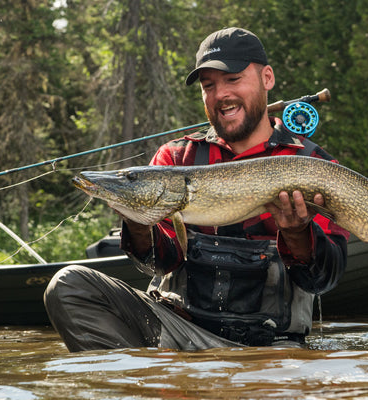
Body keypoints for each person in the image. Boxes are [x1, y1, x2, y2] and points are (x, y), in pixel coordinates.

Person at [43, 27, 349, 352]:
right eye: (208, 86)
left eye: (232, 79)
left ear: (267, 78)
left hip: (272, 347)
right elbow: (160, 263)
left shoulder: (313, 164)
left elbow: (322, 281)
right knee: (69, 285)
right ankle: (141, 382)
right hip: (176, 332)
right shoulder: (175, 159)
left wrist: (299, 234)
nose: (220, 95)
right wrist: (136, 219)